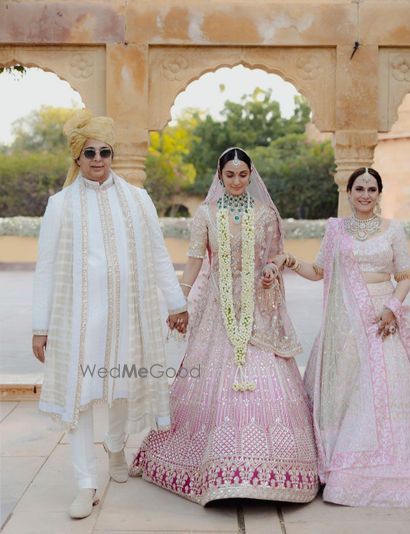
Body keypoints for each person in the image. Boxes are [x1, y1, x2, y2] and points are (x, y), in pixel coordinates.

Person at [130, 147, 318, 505]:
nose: (235, 181)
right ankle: (210, 466)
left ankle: (272, 469)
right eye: (229, 175)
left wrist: (272, 269)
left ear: (251, 175)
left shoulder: (265, 213)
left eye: (242, 175)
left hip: (258, 309)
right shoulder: (206, 214)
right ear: (220, 176)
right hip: (218, 309)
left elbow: (277, 254)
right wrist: (179, 302)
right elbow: (194, 262)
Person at [32, 109, 187, 519]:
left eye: (104, 151)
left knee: (121, 386)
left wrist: (177, 303)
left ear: (112, 154)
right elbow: (46, 266)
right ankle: (86, 483)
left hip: (129, 316)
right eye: (89, 152)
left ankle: (116, 447)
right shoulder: (60, 205)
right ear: (77, 159)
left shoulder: (138, 199)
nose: (97, 159)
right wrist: (39, 326)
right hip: (77, 321)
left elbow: (157, 255)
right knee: (79, 400)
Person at [269, 167, 410, 507]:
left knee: (380, 393)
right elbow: (319, 272)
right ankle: (336, 462)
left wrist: (393, 308)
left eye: (371, 188)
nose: (365, 194)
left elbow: (406, 274)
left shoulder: (393, 230)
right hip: (344, 323)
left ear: (379, 193)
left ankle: (381, 469)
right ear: (349, 192)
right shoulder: (336, 230)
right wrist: (289, 261)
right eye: (359, 188)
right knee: (345, 392)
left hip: (382, 318)